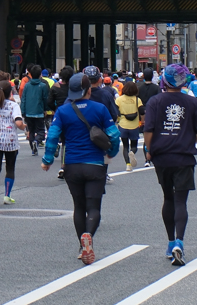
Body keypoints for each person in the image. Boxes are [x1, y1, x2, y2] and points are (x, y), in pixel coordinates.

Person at [41, 73, 120, 265]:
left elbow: (52, 137)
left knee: (79, 206)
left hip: (72, 166)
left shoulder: (63, 111)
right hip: (94, 165)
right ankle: (89, 235)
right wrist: (111, 152)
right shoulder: (100, 109)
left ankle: (81, 246)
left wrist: (48, 160)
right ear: (89, 90)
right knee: (93, 208)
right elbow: (114, 135)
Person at [143, 64, 197, 266]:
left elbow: (149, 129)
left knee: (167, 198)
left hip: (162, 156)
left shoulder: (155, 101)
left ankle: (171, 242)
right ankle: (180, 241)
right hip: (184, 156)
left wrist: (148, 149)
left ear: (165, 80)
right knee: (181, 201)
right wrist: (187, 140)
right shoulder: (192, 103)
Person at [0, 80, 24, 206]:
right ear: (10, 92)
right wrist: (24, 126)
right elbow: (18, 123)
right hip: (10, 141)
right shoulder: (14, 106)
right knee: (10, 168)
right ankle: (7, 196)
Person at [20, 65, 50, 156]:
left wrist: (23, 111)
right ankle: (37, 141)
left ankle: (34, 149)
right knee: (41, 131)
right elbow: (45, 99)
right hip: (39, 111)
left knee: (31, 131)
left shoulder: (27, 85)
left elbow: (23, 98)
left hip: (28, 112)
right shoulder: (43, 86)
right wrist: (46, 109)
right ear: (40, 74)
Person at [115, 81, 144, 171]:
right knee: (134, 145)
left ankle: (128, 164)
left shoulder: (119, 99)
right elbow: (142, 112)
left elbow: (116, 112)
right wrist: (142, 121)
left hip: (123, 124)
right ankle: (132, 152)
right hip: (134, 125)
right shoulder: (137, 100)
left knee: (125, 146)